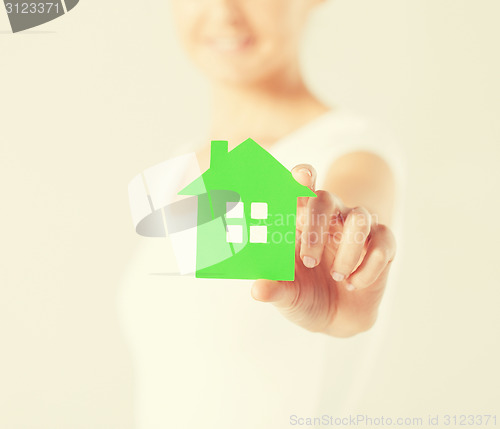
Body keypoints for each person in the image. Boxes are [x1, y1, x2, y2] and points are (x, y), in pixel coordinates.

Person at [118, 0, 403, 427]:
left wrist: (350, 267)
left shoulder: (351, 155)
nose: (222, 11)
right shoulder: (178, 168)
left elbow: (356, 214)